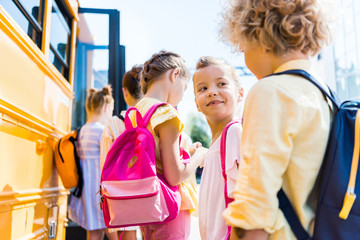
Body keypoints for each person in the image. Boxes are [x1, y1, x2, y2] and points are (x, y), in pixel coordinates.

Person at [220, 0, 333, 239]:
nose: (244, 58)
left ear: (258, 34)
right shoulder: (326, 96)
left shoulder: (271, 91)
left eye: (242, 48)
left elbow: (256, 199)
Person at [133, 50, 206, 240]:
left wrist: (186, 151)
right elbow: (174, 176)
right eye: (184, 87)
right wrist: (199, 156)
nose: (182, 96)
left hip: (146, 204)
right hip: (171, 208)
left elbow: (154, 154)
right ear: (175, 74)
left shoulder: (136, 111)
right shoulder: (167, 113)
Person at [193, 56, 244, 240]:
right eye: (203, 88)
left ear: (240, 94)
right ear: (196, 103)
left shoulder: (234, 132)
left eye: (221, 84)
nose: (212, 92)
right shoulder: (217, 145)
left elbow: (244, 201)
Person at [68, 86, 117, 240]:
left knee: (94, 233)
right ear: (107, 107)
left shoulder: (82, 130)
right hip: (101, 193)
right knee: (113, 231)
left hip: (87, 193)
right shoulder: (102, 130)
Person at [100, 65, 143, 240]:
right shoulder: (155, 122)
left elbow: (105, 167)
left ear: (125, 92)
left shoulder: (113, 124)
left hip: (122, 193)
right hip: (151, 192)